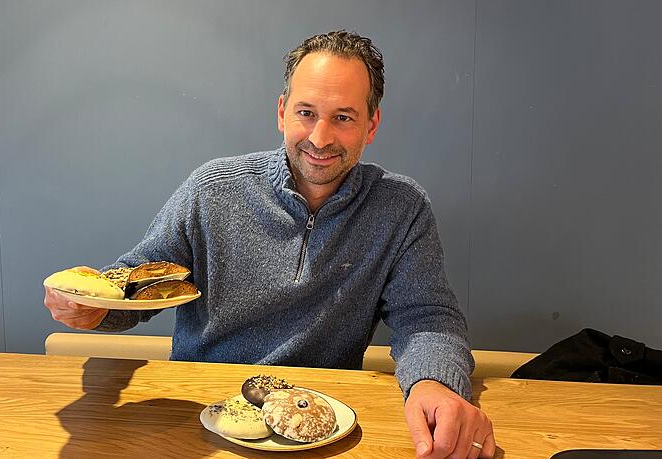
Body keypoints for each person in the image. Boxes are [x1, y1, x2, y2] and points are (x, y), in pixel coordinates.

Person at [44, 30, 495, 458]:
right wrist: (95, 308)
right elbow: (141, 279)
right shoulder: (211, 189)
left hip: (324, 424)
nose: (320, 138)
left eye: (343, 117)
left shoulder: (401, 207)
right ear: (281, 112)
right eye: (306, 113)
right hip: (201, 421)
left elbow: (427, 316)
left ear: (371, 124)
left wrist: (434, 382)